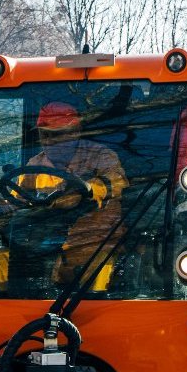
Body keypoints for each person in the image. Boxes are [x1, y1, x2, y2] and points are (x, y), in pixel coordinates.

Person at [28, 102, 127, 290]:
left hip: (96, 242)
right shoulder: (35, 164)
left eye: (56, 135)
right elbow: (17, 198)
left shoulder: (101, 155)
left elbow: (116, 180)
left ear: (75, 132)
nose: (48, 142)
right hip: (47, 244)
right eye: (44, 135)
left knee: (97, 278)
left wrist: (89, 188)